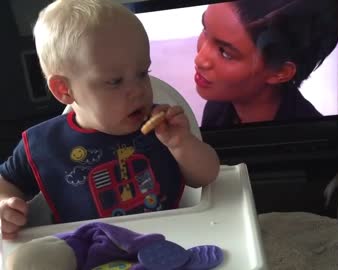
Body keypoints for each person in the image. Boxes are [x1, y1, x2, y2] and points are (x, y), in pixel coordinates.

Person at [0, 0, 220, 240]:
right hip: (85, 251)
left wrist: (181, 143)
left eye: (142, 73)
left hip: (167, 241)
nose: (138, 90)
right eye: (115, 81)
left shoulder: (163, 127)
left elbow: (207, 177)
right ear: (64, 89)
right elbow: (6, 181)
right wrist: (4, 205)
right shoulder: (43, 144)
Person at [195, 0, 338, 128]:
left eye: (225, 53)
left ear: (280, 72)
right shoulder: (218, 107)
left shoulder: (311, 139)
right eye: (205, 30)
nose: (199, 60)